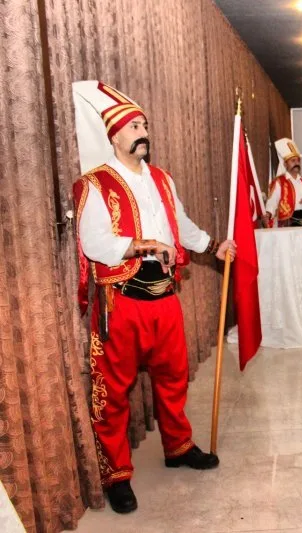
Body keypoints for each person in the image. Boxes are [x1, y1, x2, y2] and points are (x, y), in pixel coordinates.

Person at [71, 81, 237, 514]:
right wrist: (143, 245)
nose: (143, 132)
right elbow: (94, 242)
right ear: (114, 136)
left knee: (173, 377)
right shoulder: (95, 184)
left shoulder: (162, 179)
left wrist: (213, 246)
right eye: (133, 126)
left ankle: (178, 447)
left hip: (164, 297)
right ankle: (116, 475)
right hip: (121, 301)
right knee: (113, 392)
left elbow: (180, 225)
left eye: (144, 125)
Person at [262, 138, 302, 227]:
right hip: (287, 225)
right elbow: (272, 202)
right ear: (285, 164)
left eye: (298, 160)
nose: (296, 163)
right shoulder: (279, 182)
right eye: (293, 161)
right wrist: (268, 214)